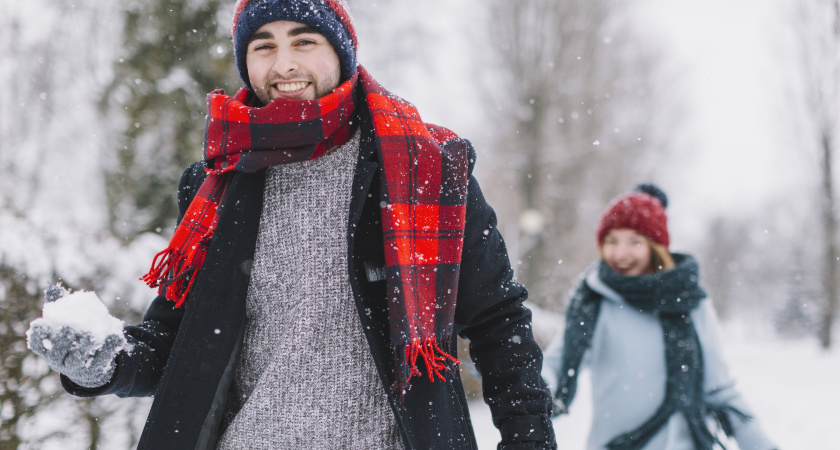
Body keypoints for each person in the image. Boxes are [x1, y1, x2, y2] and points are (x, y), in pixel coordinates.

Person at [25, 1, 556, 449]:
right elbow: (177, 344)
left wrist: (529, 437)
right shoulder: (218, 181)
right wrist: (107, 363)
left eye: (304, 42)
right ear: (246, 63)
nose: (284, 64)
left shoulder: (427, 166)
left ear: (341, 53)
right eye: (264, 46)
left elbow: (497, 322)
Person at [541, 184, 776, 450]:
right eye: (611, 241)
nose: (620, 253)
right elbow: (556, 366)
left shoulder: (690, 303)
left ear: (656, 247)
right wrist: (501, 364)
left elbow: (719, 391)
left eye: (634, 241)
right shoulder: (594, 303)